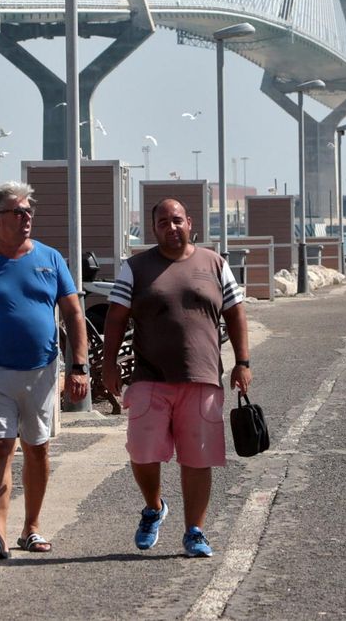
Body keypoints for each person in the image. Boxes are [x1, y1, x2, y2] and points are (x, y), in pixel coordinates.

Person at [101, 197, 252, 559]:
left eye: (177, 220)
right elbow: (116, 318)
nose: (172, 227)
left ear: (190, 222)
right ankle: (154, 507)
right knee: (141, 450)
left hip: (202, 377)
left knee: (198, 459)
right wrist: (107, 364)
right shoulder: (135, 267)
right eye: (163, 222)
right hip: (148, 376)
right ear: (153, 229)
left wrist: (242, 362)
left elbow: (236, 313)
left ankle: (195, 531)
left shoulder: (214, 263)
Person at [0, 181, 90, 560]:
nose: (27, 217)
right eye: (19, 211)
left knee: (37, 448)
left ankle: (31, 528)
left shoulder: (51, 258)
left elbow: (74, 313)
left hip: (42, 371)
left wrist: (78, 366)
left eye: (30, 210)